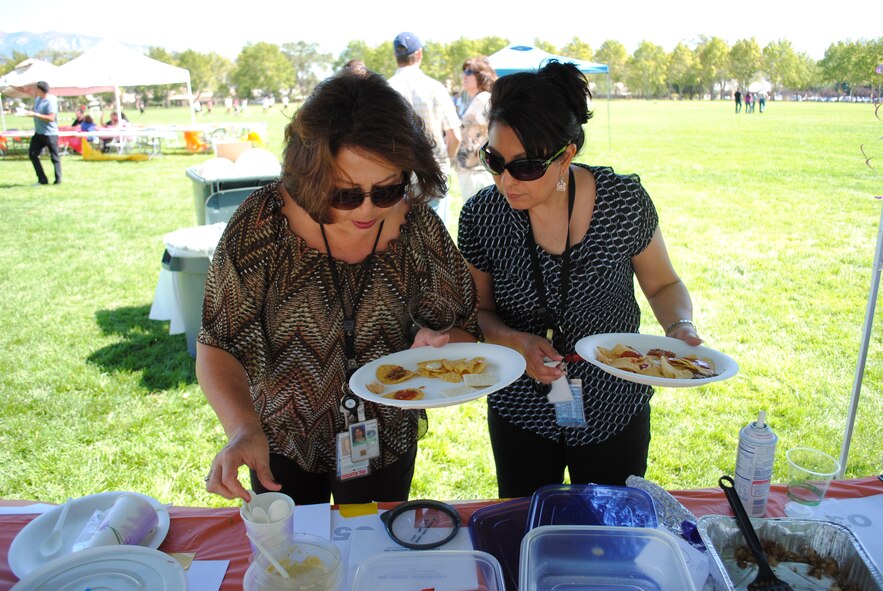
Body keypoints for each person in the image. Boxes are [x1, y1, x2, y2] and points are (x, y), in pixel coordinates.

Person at [198, 70, 480, 506]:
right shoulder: (261, 225)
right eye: (346, 194)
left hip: (384, 438)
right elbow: (217, 344)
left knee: (370, 554)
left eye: (387, 190)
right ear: (309, 175)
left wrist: (439, 344)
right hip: (281, 439)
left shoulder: (419, 228)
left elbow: (462, 331)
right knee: (298, 560)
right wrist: (242, 428)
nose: (368, 210)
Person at [457, 61, 704, 499]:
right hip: (521, 408)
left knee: (611, 532)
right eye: (494, 161)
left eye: (525, 167)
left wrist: (679, 326)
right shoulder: (482, 215)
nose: (505, 181)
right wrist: (517, 341)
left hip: (614, 403)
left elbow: (664, 286)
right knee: (528, 527)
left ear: (566, 155)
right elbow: (478, 312)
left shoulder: (622, 202)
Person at [387, 32, 461, 215]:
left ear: (396, 56)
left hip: (398, 177)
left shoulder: (386, 89)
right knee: (437, 238)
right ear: (419, 54)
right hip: (433, 172)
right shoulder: (436, 88)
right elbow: (455, 137)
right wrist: (445, 162)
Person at [455, 56, 498, 202]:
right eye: (464, 72)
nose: (464, 76)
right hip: (472, 170)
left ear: (481, 76)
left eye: (469, 72)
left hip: (477, 172)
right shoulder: (478, 99)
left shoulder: (483, 99)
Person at [24, 81, 61, 185]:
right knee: (32, 154)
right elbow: (36, 112)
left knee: (54, 157)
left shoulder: (50, 101)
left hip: (50, 133)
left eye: (36, 89)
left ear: (40, 90)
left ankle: (58, 180)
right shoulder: (38, 100)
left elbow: (51, 118)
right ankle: (42, 179)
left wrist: (36, 115)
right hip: (39, 133)